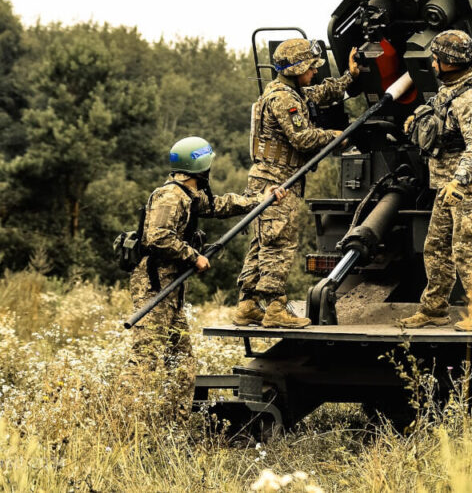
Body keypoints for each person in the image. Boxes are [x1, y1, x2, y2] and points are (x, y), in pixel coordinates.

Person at [122, 135, 283, 421]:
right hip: (154, 288)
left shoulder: (190, 196)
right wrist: (192, 256)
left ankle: (176, 423)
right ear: (201, 166)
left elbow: (220, 205)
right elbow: (156, 237)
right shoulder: (170, 196)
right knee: (145, 360)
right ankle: (126, 424)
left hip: (171, 291)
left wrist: (262, 199)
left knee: (182, 363)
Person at [233, 38, 360, 329]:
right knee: (278, 246)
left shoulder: (289, 91)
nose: (315, 72)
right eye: (311, 67)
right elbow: (303, 139)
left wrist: (348, 77)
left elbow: (318, 93)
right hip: (277, 182)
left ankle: (247, 305)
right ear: (296, 68)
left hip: (269, 180)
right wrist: (336, 136)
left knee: (261, 244)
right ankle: (276, 309)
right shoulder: (285, 99)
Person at [400, 29, 472, 332]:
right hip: (448, 185)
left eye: (435, 58)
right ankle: (433, 310)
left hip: (471, 184)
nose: (431, 63)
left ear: (448, 62)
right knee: (436, 247)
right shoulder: (451, 88)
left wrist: (459, 181)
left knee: (468, 248)